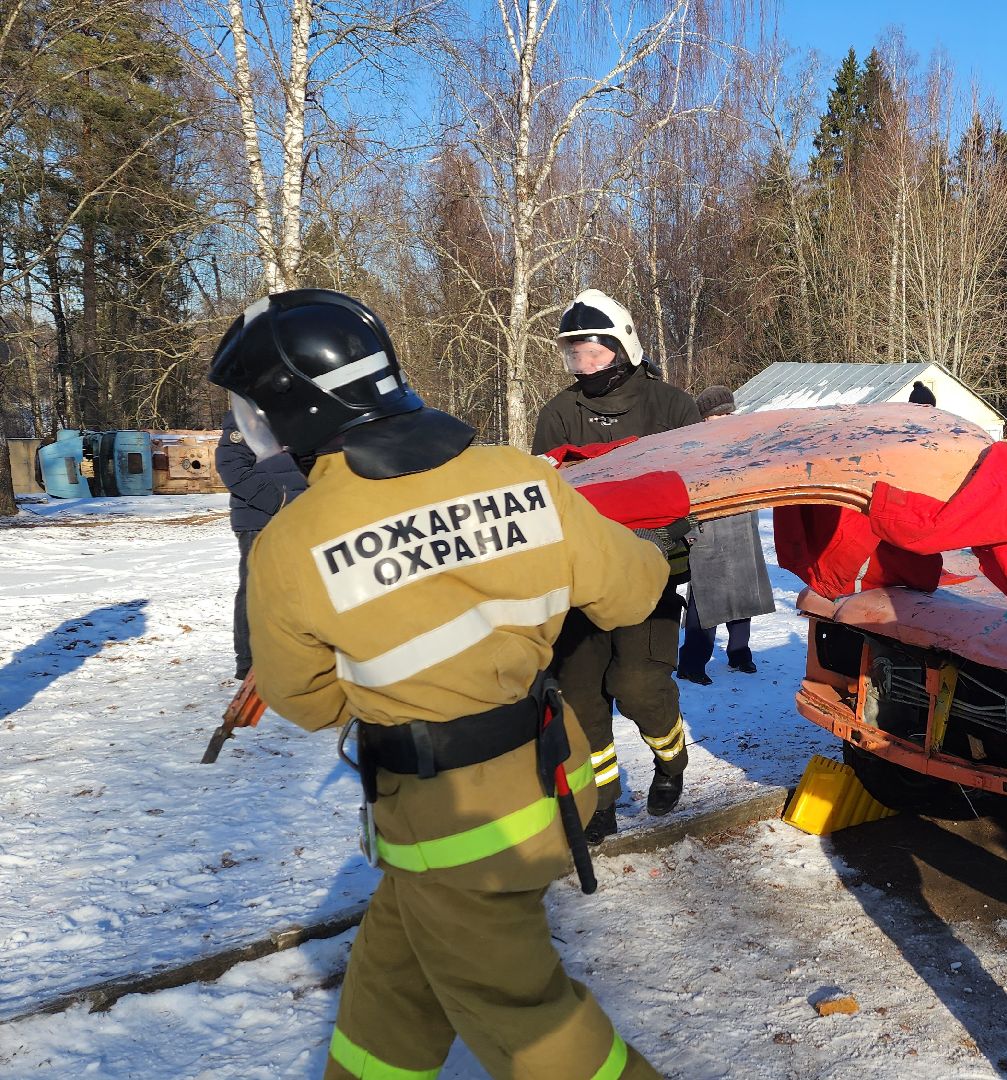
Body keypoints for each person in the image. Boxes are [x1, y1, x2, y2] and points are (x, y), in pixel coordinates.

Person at [209, 289, 681, 1080]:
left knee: (530, 1025)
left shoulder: (292, 544)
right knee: (393, 987)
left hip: (452, 826)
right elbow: (634, 592)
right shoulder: (519, 477)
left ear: (298, 410)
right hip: (551, 780)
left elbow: (306, 700)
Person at [533, 289, 701, 840]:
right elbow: (545, 498)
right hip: (580, 581)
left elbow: (698, 487)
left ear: (623, 347)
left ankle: (670, 761)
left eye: (594, 353)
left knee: (636, 684)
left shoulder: (671, 406)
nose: (584, 365)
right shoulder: (559, 414)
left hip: (650, 575)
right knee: (579, 695)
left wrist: (664, 533)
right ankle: (600, 800)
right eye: (574, 355)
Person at [677, 385, 774, 685]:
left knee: (743, 592)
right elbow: (684, 491)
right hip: (708, 528)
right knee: (705, 597)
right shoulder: (690, 448)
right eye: (717, 416)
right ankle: (692, 663)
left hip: (741, 525)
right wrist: (689, 529)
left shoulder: (745, 442)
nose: (724, 420)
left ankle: (739, 653)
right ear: (705, 419)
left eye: (727, 414)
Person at [216, 409, 307, 679]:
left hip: (302, 516)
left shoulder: (299, 413)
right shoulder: (246, 416)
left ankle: (294, 654)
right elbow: (231, 467)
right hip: (260, 519)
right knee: (256, 589)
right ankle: (249, 661)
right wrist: (279, 501)